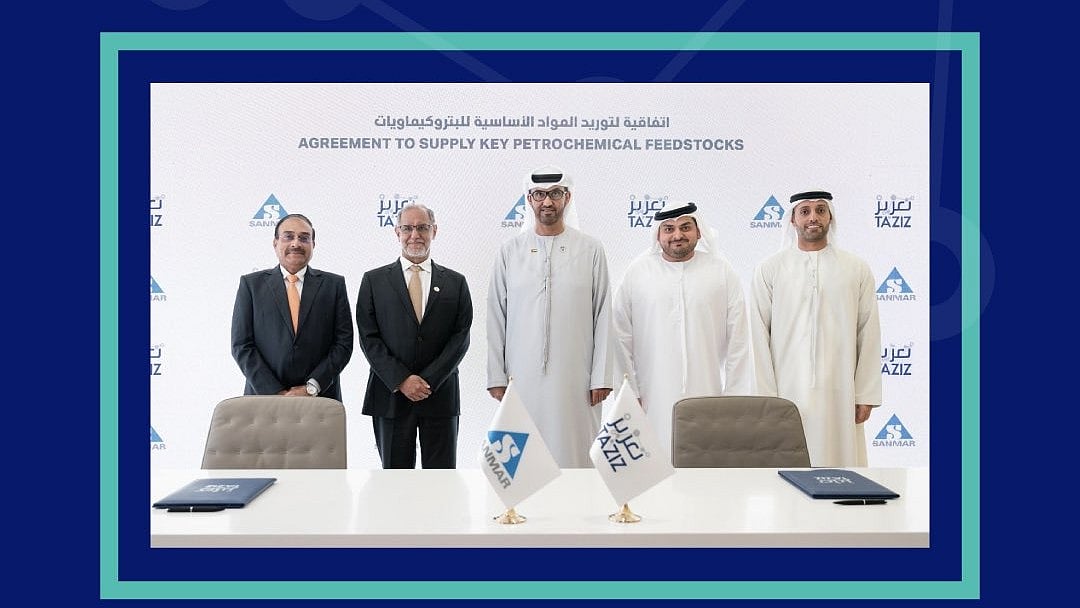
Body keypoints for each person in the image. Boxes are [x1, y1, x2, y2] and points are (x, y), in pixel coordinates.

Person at [487, 165, 613, 467]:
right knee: (525, 461)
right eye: (539, 195)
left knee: (575, 454)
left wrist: (601, 376)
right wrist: (496, 376)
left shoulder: (591, 249)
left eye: (555, 194)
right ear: (529, 200)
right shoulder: (510, 251)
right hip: (520, 377)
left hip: (577, 377)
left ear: (567, 198)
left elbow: (603, 315)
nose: (547, 202)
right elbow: (496, 317)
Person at [750, 190, 882, 467]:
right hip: (787, 390)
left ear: (830, 217)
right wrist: (765, 398)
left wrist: (865, 394)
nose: (813, 217)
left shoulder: (855, 268)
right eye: (805, 211)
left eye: (821, 210)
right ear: (792, 220)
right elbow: (757, 336)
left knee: (841, 467)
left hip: (840, 391)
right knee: (787, 467)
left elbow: (868, 332)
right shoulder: (770, 269)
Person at [612, 201, 751, 461]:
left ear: (699, 232)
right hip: (652, 397)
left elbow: (739, 341)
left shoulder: (721, 271)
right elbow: (620, 336)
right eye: (669, 229)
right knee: (655, 463)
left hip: (708, 394)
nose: (677, 235)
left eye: (685, 227)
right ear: (658, 235)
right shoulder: (638, 273)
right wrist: (629, 393)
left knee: (704, 467)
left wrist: (734, 397)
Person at [355, 204, 473, 469]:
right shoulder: (374, 281)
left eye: (422, 228)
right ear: (397, 232)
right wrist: (402, 380)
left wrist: (427, 381)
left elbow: (460, 337)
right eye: (407, 228)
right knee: (395, 481)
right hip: (391, 396)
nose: (415, 235)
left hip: (439, 395)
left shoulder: (456, 282)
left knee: (441, 480)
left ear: (434, 231)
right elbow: (369, 338)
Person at [231, 213, 354, 402]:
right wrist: (276, 392)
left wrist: (311, 387)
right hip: (264, 400)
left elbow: (343, 344)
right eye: (288, 236)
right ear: (275, 243)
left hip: (319, 399)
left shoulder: (333, 285)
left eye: (304, 238)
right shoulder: (251, 285)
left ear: (313, 244)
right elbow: (242, 345)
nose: (296, 243)